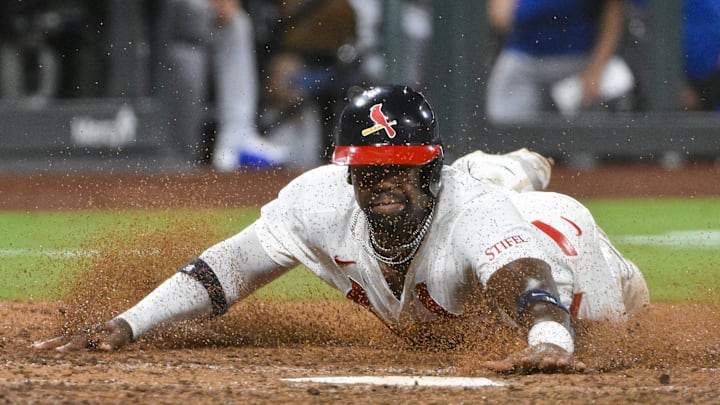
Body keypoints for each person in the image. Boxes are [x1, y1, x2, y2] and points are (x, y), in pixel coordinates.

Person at [33, 85, 649, 374]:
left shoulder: (475, 214)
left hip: (558, 234)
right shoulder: (321, 199)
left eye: (400, 169)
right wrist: (126, 323)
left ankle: (505, 174)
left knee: (599, 324)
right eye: (368, 170)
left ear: (426, 171)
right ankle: (497, 168)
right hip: (461, 207)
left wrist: (552, 340)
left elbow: (527, 279)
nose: (381, 182)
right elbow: (229, 267)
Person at [485, 0, 630, 122]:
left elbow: (614, 14)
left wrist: (596, 70)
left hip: (578, 63)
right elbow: (500, 17)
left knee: (582, 141)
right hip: (524, 59)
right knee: (506, 130)